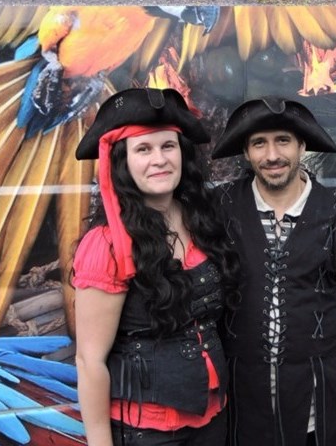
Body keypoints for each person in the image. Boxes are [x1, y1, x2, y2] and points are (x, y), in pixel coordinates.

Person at [72, 88, 238, 446]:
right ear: (123, 161)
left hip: (213, 420)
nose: (159, 159)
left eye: (168, 146)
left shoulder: (202, 221)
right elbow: (89, 361)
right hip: (147, 433)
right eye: (143, 149)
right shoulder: (105, 245)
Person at [213, 97, 336, 446]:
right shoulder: (220, 210)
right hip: (243, 393)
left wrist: (303, 340)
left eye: (282, 140)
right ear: (246, 151)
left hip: (317, 393)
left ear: (301, 145)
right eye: (258, 143)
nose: (271, 155)